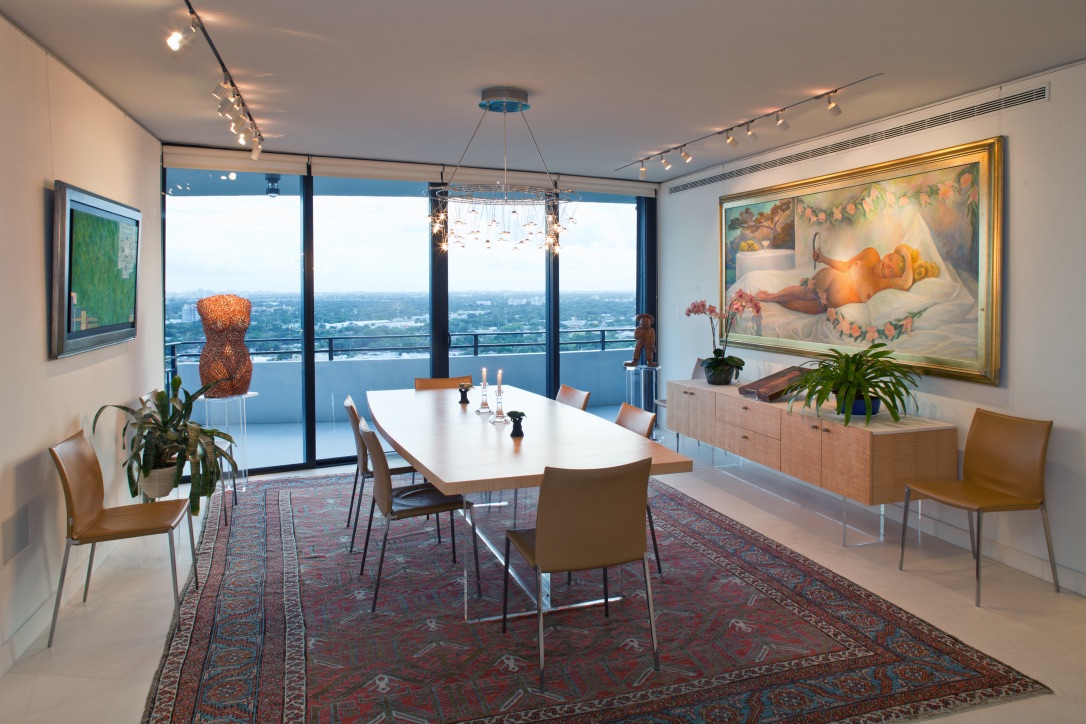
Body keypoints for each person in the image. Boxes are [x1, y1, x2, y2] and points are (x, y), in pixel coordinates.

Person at [757, 242, 938, 314]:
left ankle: (773, 299)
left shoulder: (886, 284)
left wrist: (906, 256)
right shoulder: (871, 254)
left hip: (831, 303)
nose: (887, 265)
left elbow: (906, 283)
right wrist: (824, 259)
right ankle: (770, 297)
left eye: (891, 270)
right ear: (889, 253)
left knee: (797, 306)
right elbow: (845, 265)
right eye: (890, 258)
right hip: (831, 278)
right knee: (804, 293)